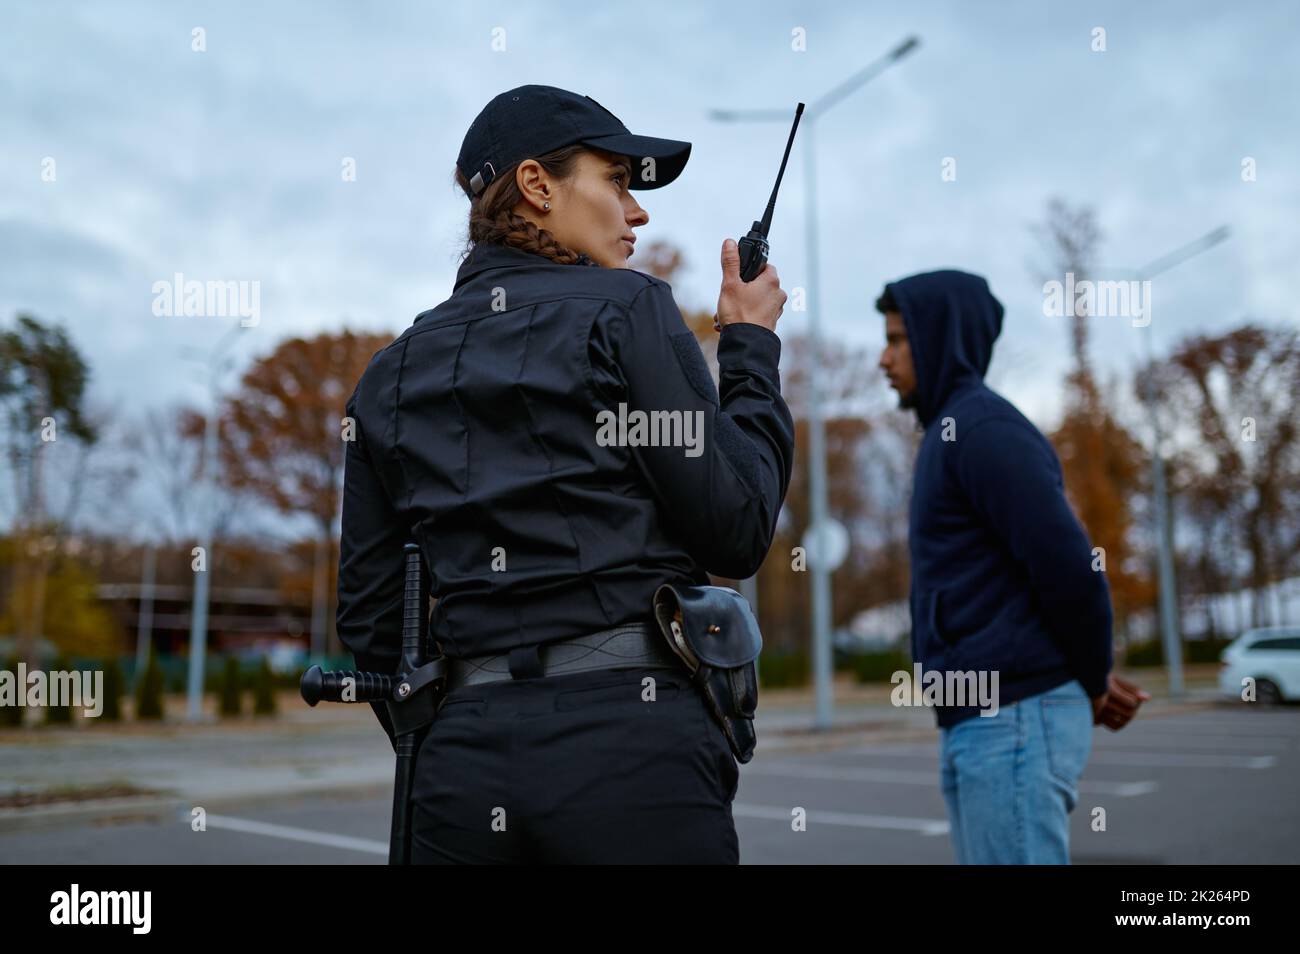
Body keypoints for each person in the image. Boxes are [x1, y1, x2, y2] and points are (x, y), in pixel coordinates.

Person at [336, 85, 794, 864]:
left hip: (456, 772)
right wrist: (748, 346)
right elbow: (738, 524)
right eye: (616, 181)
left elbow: (372, 621)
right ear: (537, 186)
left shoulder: (387, 376)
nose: (636, 212)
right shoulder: (627, 313)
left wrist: (456, 733)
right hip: (633, 757)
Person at [875, 269, 1150, 865]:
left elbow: (1071, 568)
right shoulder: (948, 435)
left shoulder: (984, 430)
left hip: (1016, 720)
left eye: (897, 340)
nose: (884, 358)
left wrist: (1094, 675)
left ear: (937, 340)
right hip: (980, 720)